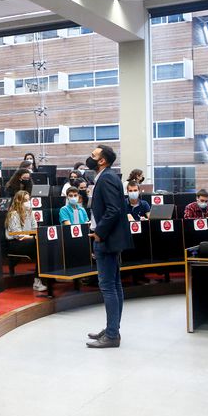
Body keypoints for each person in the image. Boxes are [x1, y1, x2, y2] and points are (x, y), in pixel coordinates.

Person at [85, 144, 133, 349]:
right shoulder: (106, 177)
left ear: (102, 160)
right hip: (110, 239)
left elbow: (113, 210)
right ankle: (112, 328)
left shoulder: (107, 179)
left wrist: (99, 232)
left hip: (106, 240)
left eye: (93, 155)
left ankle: (112, 334)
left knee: (108, 286)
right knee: (114, 285)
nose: (90, 157)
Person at [4, 190, 45, 292]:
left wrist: (35, 236)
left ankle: (43, 277)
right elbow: (17, 235)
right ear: (18, 201)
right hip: (14, 243)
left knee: (43, 246)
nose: (28, 202)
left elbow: (35, 228)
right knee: (39, 245)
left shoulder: (30, 212)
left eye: (28, 200)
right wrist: (33, 237)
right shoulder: (13, 214)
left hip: (27, 240)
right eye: (25, 200)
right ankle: (37, 281)